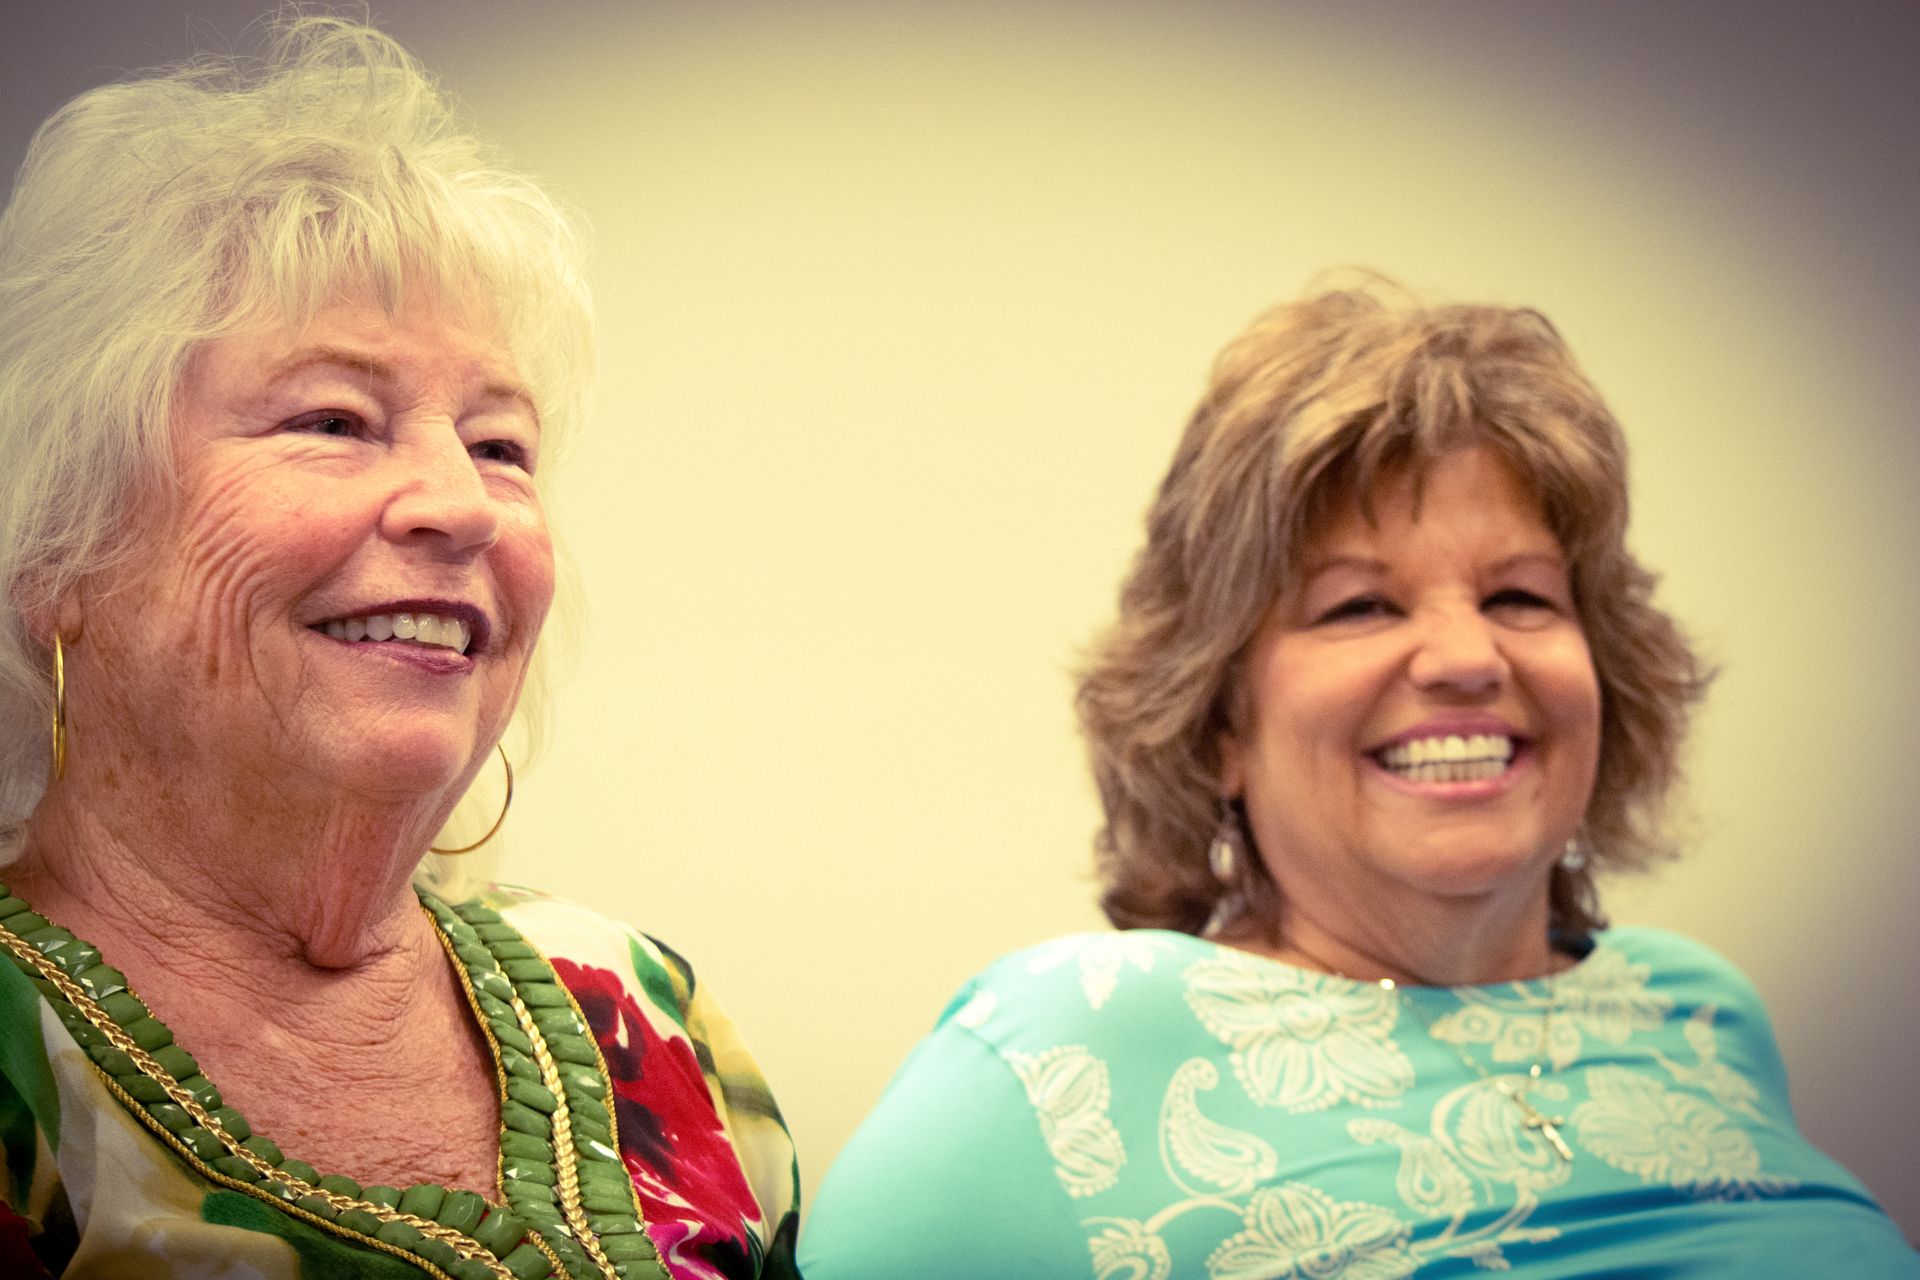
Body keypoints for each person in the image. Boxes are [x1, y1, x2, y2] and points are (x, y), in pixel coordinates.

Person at [799, 279, 1920, 1277]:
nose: (1468, 657)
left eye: (1520, 595)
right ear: (1219, 719)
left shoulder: (1703, 1010)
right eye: (1361, 606)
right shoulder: (1059, 1056)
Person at [0, 16, 798, 1280]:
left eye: (500, 444)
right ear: (58, 547)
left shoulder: (644, 1005)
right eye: (333, 419)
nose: (462, 504)